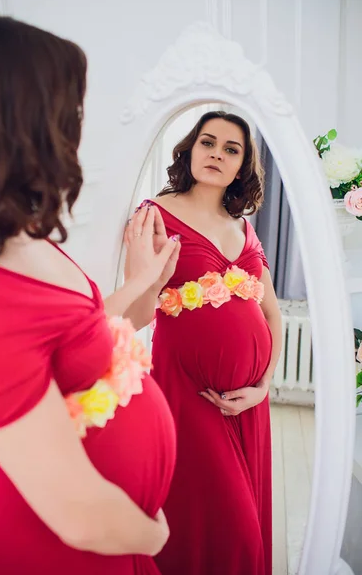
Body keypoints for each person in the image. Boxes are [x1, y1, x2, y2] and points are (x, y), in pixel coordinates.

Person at [0, 16, 182, 575]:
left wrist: (141, 282)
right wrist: (152, 533)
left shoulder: (17, 232)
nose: (77, 128)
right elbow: (80, 515)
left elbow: (70, 338)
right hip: (47, 546)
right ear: (19, 125)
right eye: (69, 112)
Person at [127, 111, 282, 575]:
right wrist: (151, 277)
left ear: (242, 167)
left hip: (248, 404)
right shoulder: (156, 213)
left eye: (231, 149)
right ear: (190, 150)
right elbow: (136, 316)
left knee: (239, 522)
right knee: (230, 527)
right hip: (187, 393)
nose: (217, 153)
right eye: (208, 142)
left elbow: (272, 314)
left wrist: (264, 386)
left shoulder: (244, 226)